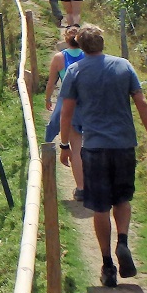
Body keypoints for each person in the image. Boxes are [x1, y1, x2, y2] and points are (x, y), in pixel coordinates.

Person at [58, 24, 147, 288]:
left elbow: (66, 112)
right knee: (122, 199)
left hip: (94, 148)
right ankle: (123, 242)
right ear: (103, 43)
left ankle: (107, 265)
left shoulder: (75, 71)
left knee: (100, 207)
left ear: (80, 45)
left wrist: (65, 145)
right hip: (124, 144)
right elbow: (142, 104)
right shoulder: (123, 66)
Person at [44, 27, 85, 200]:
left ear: (66, 40)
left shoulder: (59, 58)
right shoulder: (88, 55)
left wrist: (47, 99)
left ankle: (81, 188)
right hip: (89, 103)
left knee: (76, 148)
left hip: (68, 101)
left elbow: (52, 82)